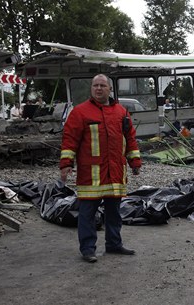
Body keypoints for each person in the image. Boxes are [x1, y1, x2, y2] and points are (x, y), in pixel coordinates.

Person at [60, 74, 142, 263]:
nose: (98, 88)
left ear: (109, 89)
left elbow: (130, 139)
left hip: (114, 173)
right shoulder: (80, 112)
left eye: (102, 86)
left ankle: (114, 244)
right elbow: (70, 140)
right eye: (95, 85)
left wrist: (135, 162)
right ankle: (88, 249)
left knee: (114, 212)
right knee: (87, 214)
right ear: (91, 89)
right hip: (91, 175)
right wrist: (66, 164)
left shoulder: (121, 112)